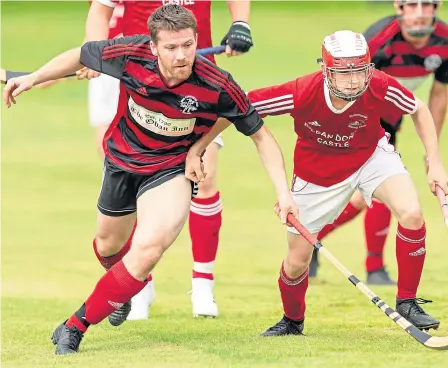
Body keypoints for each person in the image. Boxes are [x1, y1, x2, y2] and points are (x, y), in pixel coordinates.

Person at [3, 4, 296, 354]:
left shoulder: (216, 84)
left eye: (188, 45)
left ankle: (74, 325)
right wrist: (32, 78)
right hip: (122, 162)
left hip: (171, 170)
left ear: (197, 40)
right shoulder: (129, 53)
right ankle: (121, 291)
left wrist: (284, 192)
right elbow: (80, 54)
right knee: (108, 246)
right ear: (153, 46)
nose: (182, 55)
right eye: (171, 48)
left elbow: (261, 135)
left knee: (148, 249)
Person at [246, 30, 448, 336]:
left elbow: (418, 109)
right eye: (343, 72)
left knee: (411, 212)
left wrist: (434, 161)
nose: (353, 80)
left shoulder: (378, 83)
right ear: (326, 69)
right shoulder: (300, 91)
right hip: (316, 174)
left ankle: (407, 302)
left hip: (370, 156)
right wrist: (201, 146)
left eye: (359, 70)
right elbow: (239, 106)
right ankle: (292, 321)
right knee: (297, 261)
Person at [83, 0, 254, 320]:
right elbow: (99, 11)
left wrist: (240, 24)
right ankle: (140, 284)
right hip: (138, 83)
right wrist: (93, 51)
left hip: (197, 84)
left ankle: (203, 284)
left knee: (207, 175)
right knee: (134, 186)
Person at [308, 0, 448, 283]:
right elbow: (348, 84)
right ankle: (372, 266)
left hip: (393, 115)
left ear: (437, 7)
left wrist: (432, 152)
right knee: (383, 184)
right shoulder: (380, 39)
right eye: (411, 5)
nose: (419, 12)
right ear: (398, 8)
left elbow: (439, 94)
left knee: (371, 191)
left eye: (427, 5)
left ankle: (315, 238)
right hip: (359, 114)